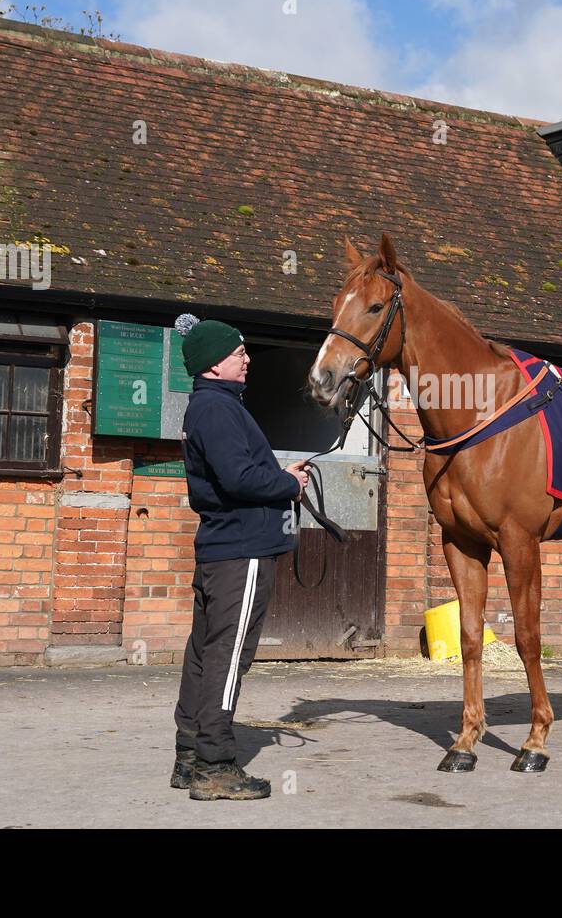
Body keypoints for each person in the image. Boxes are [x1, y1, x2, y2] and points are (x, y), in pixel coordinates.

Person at [170, 313, 309, 801]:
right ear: (213, 366)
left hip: (220, 548)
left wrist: (278, 473)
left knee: (204, 654)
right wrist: (289, 483)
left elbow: (235, 473)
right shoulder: (219, 410)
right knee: (228, 659)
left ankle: (188, 756)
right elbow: (239, 480)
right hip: (242, 551)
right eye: (238, 353)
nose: (247, 359)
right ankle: (215, 765)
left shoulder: (209, 407)